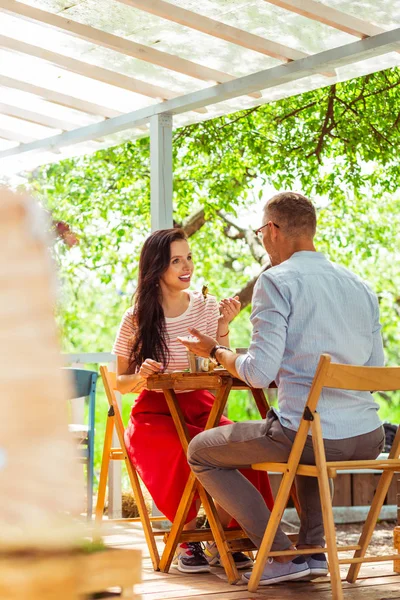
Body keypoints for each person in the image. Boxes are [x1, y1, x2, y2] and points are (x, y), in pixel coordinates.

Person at [179, 192, 385, 586]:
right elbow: (373, 369)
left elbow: (258, 373)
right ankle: (312, 553)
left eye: (261, 231)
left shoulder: (275, 281)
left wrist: (215, 350)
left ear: (272, 230)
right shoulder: (359, 285)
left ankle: (277, 553)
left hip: (310, 435)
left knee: (201, 450)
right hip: (367, 436)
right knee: (306, 435)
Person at [112, 228, 274, 574]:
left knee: (242, 449)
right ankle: (188, 538)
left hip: (204, 408)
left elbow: (217, 360)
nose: (187, 267)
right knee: (178, 453)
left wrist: (224, 326)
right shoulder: (136, 318)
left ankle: (225, 538)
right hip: (155, 415)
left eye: (189, 258)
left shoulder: (206, 306)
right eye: (176, 261)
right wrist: (142, 374)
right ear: (157, 267)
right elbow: (121, 382)